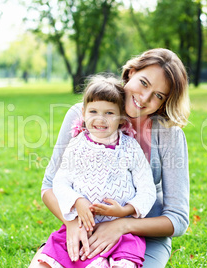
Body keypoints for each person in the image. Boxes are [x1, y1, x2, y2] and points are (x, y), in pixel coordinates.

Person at [30, 48, 190, 268]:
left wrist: (122, 225)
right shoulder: (84, 114)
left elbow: (178, 219)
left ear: (164, 102)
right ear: (131, 72)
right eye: (143, 83)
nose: (145, 98)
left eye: (159, 95)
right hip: (86, 227)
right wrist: (73, 224)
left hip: (143, 237)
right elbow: (50, 185)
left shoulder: (169, 135)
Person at [37, 75, 157, 268]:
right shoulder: (77, 145)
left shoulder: (130, 148)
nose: (100, 119)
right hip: (83, 225)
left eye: (109, 113)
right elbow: (60, 183)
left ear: (121, 119)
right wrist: (78, 201)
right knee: (58, 259)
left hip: (121, 232)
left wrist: (125, 210)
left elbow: (147, 190)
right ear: (83, 113)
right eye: (93, 111)